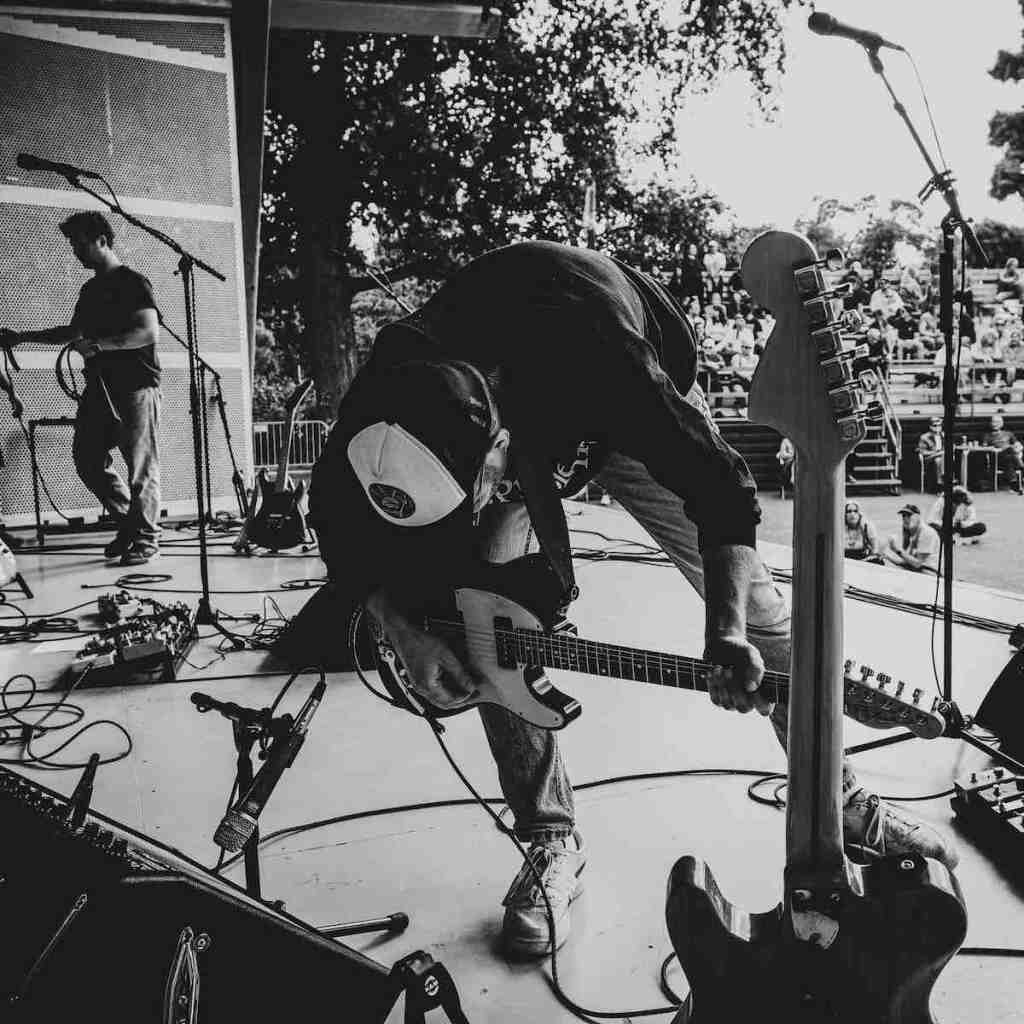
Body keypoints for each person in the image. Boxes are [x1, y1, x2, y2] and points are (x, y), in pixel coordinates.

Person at [308, 240, 957, 959]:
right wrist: (399, 624)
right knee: (487, 605)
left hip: (618, 405)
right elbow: (331, 510)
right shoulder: (381, 392)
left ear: (495, 445)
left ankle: (841, 803)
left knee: (759, 614)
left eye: (477, 494)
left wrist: (725, 629)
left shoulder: (604, 358)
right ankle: (550, 839)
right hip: (521, 417)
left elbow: (723, 491)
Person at [5, 212, 161, 564]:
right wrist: (22, 337)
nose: (75, 250)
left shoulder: (133, 283)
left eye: (80, 243)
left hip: (136, 387)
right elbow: (73, 332)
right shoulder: (90, 291)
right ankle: (130, 524)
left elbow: (147, 332)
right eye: (72, 244)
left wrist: (101, 346)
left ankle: (147, 539)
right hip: (99, 389)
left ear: (102, 240)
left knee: (140, 466)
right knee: (88, 460)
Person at [882, 504, 939, 572]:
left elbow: (917, 564)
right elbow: (907, 562)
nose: (905, 519)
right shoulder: (913, 534)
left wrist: (897, 550)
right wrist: (886, 556)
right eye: (903, 516)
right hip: (918, 572)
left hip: (930, 573)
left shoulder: (927, 533)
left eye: (909, 515)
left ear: (918, 517)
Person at [982, 413, 1024, 493]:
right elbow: (984, 448)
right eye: (993, 422)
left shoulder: (1008, 433)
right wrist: (993, 449)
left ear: (1002, 423)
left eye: (997, 422)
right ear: (990, 423)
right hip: (997, 458)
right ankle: (1021, 465)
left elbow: (1019, 446)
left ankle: (1014, 484)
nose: (995, 424)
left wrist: (1018, 451)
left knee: (1009, 458)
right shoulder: (987, 435)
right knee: (1009, 450)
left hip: (1009, 458)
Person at [916, 417, 944, 491]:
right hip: (929, 459)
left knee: (944, 459)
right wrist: (936, 453)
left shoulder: (944, 435)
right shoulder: (924, 437)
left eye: (939, 425)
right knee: (938, 460)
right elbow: (922, 452)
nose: (938, 428)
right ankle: (939, 484)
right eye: (935, 426)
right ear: (930, 427)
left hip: (943, 458)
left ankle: (948, 481)